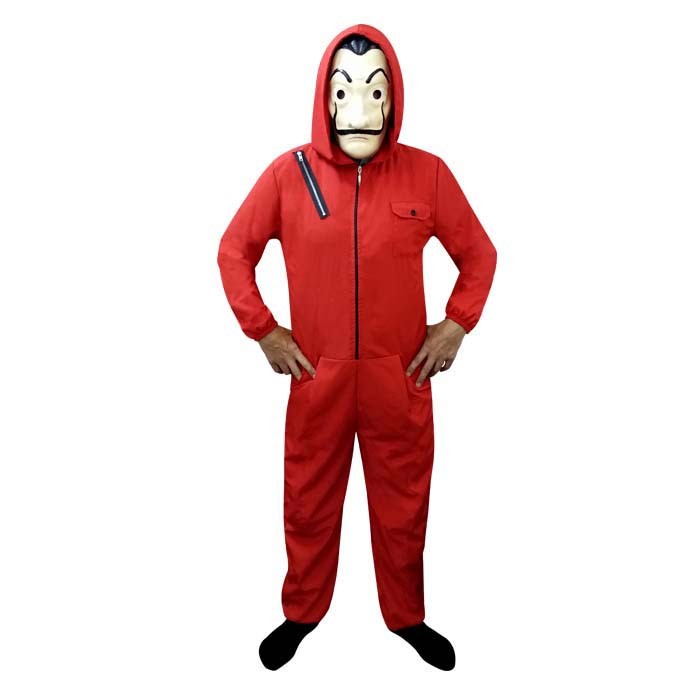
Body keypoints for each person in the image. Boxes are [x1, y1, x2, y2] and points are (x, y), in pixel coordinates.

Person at [216, 23, 497, 671]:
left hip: (401, 377)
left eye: (376, 90)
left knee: (403, 504)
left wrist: (456, 323)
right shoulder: (289, 176)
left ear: (394, 97)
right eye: (345, 89)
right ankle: (301, 613)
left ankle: (407, 617)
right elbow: (234, 251)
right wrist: (264, 330)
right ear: (326, 96)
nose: (361, 106)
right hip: (318, 375)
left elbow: (479, 254)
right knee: (308, 500)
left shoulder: (427, 175)